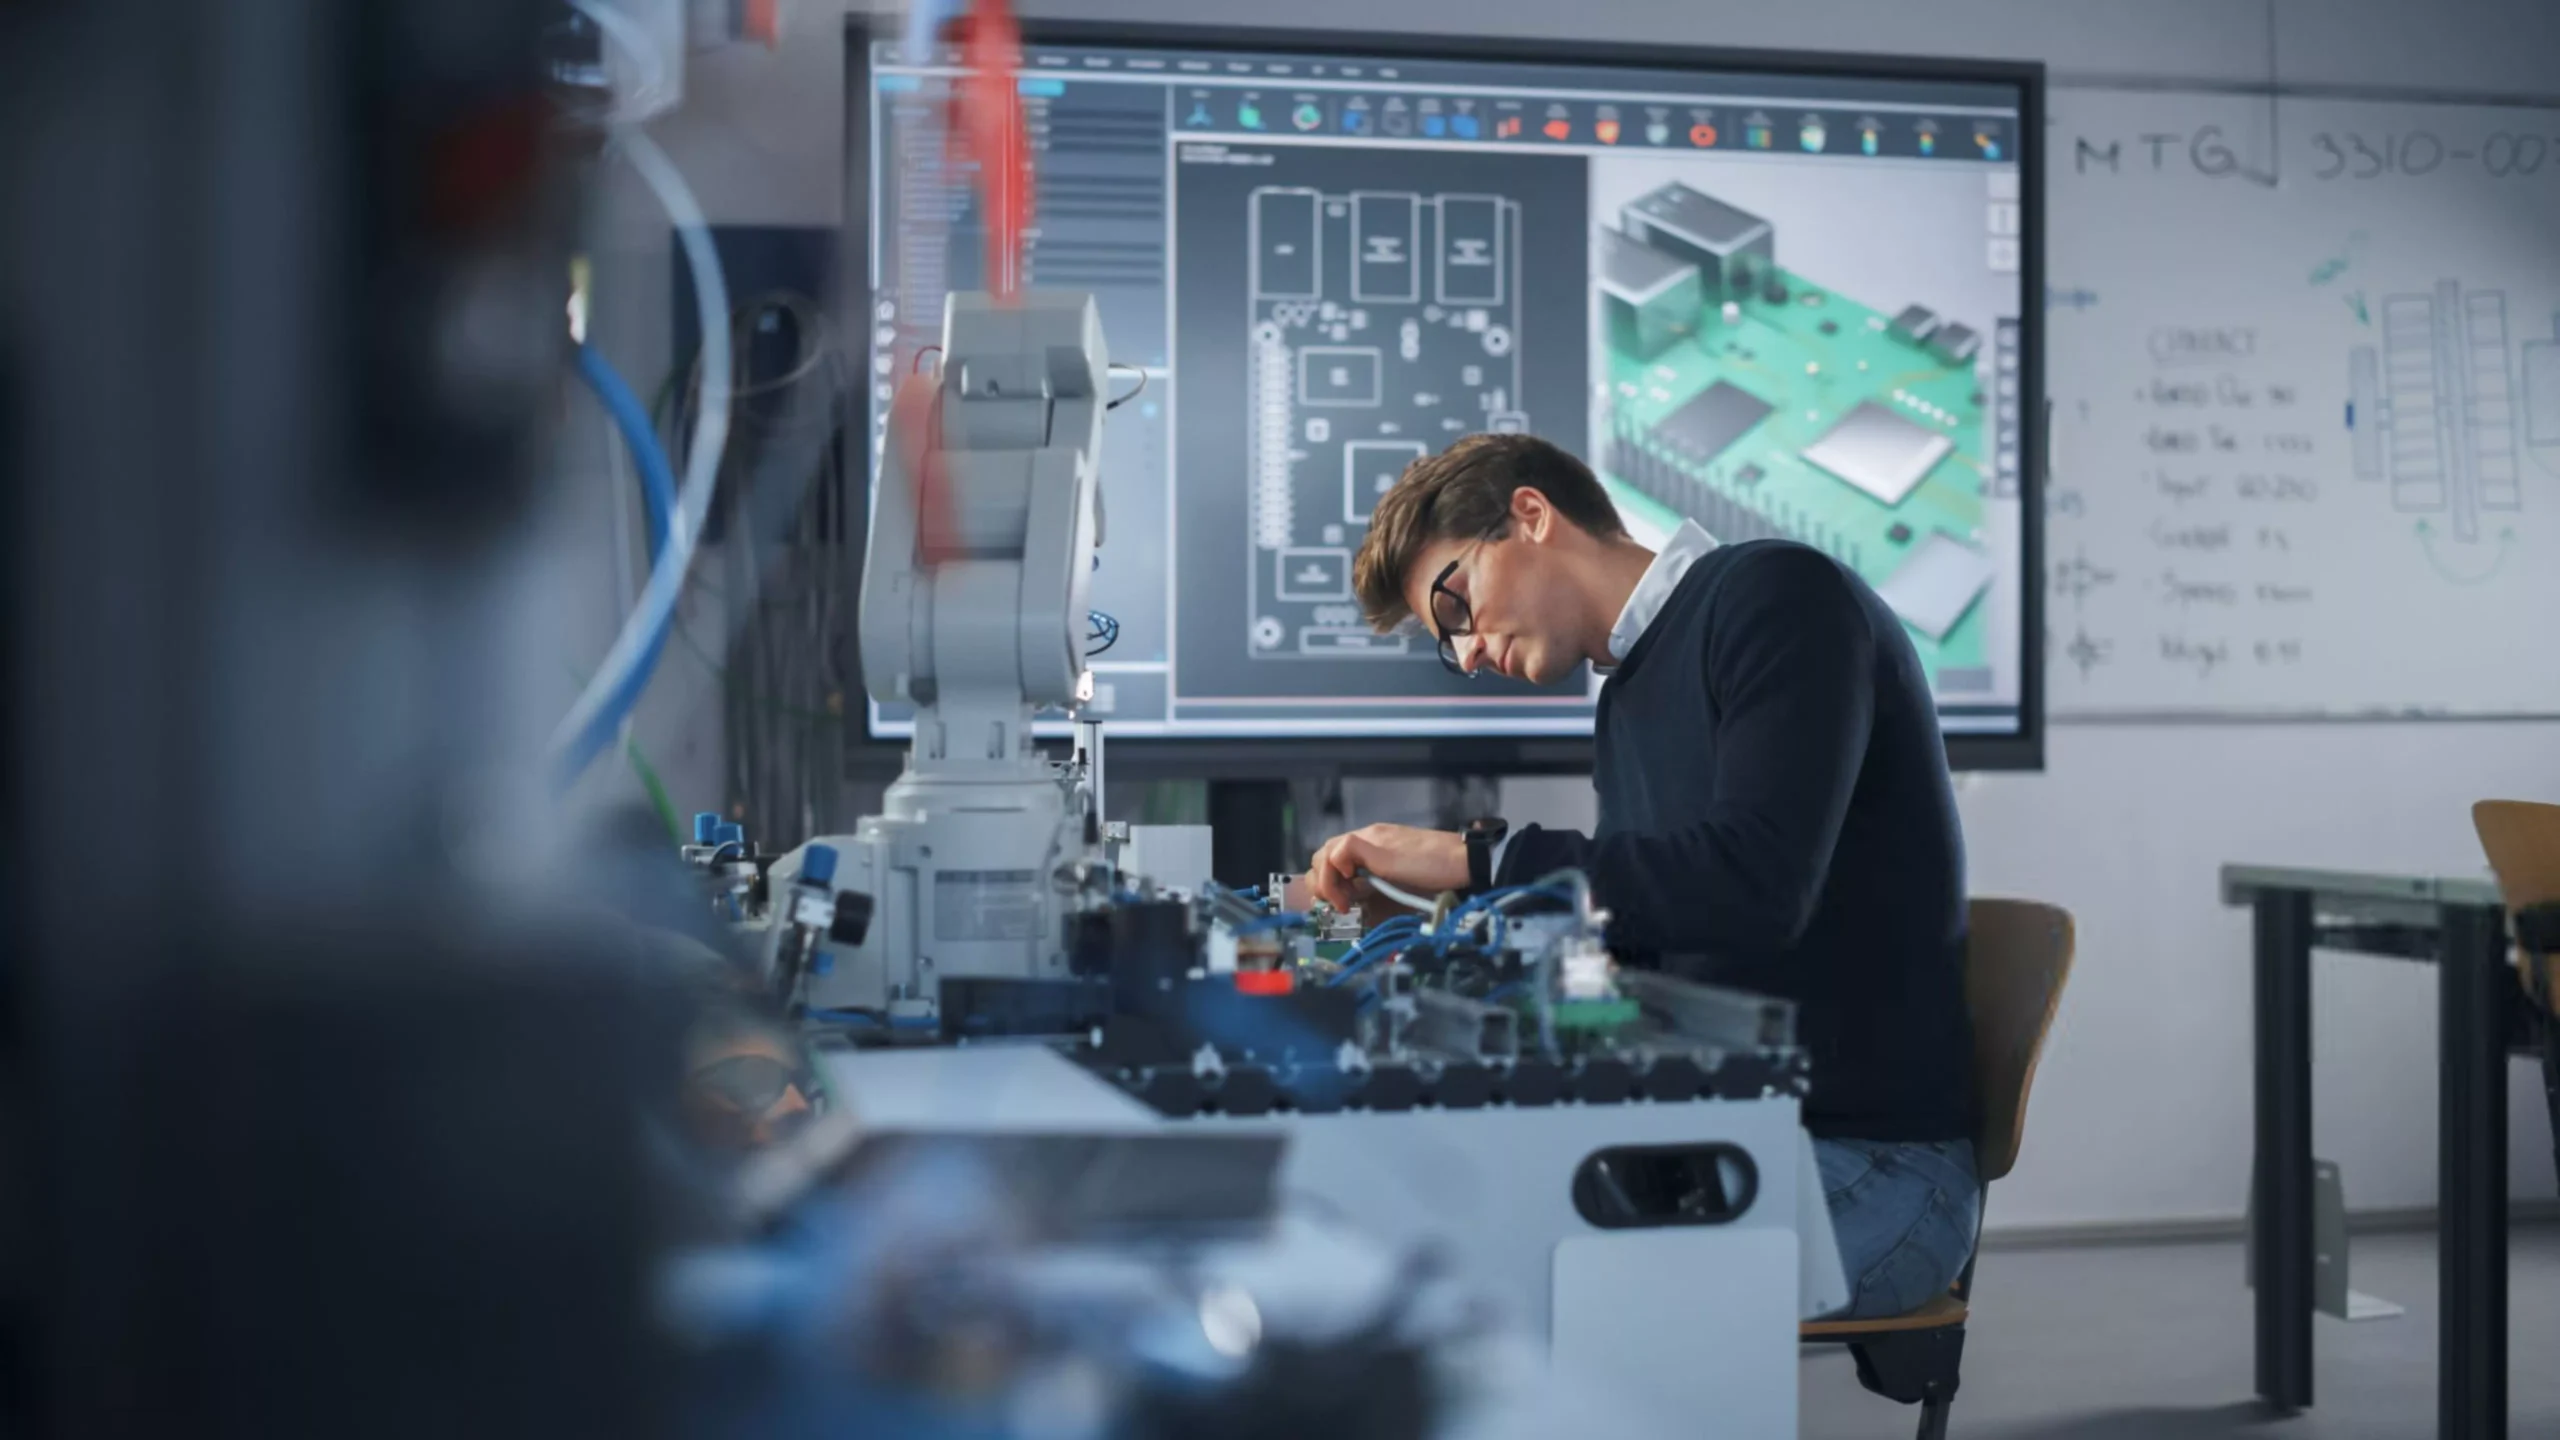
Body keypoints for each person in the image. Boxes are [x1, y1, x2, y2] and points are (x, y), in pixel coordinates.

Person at [1305, 432, 1978, 1320]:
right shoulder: (1627, 696)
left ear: (1532, 515)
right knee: (1439, 1217)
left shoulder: (1776, 595)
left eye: (1456, 605)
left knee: (1525, 1287)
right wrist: (1465, 985)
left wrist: (1477, 862)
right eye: (1447, 642)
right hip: (1730, 1126)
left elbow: (1754, 888)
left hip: (1870, 1165)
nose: (1466, 654)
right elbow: (1652, 930)